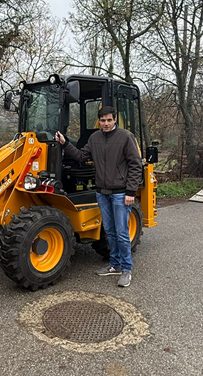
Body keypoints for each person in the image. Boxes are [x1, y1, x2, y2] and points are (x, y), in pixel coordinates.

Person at [55, 106, 142, 288]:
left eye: (109, 120)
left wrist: (130, 192)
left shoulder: (126, 137)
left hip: (120, 193)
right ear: (99, 121)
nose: (106, 123)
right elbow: (80, 156)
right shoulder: (94, 138)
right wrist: (64, 143)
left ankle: (126, 270)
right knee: (109, 231)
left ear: (114, 120)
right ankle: (114, 264)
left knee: (122, 232)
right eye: (103, 120)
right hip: (102, 192)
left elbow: (135, 165)